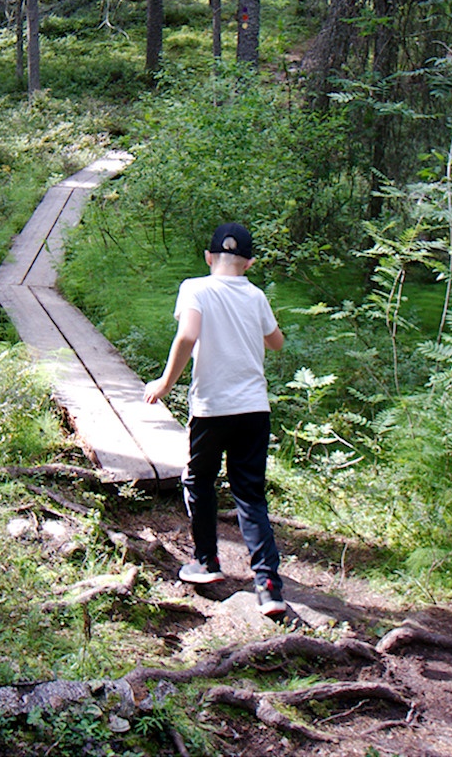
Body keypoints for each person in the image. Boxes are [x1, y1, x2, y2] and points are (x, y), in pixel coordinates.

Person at [143, 222, 287, 617]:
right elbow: (276, 342)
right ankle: (269, 585)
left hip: (212, 408)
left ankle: (206, 563)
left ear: (208, 257)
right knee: (250, 494)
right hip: (255, 409)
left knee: (199, 480)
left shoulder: (196, 287)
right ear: (250, 262)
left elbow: (188, 336)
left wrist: (165, 382)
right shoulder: (256, 296)